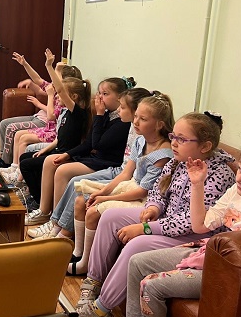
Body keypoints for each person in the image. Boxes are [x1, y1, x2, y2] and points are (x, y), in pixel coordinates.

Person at [76, 112, 236, 317]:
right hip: (167, 220)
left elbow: (192, 222)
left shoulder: (220, 175)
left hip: (193, 236)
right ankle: (93, 281)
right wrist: (153, 207)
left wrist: (146, 228)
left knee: (137, 245)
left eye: (181, 139)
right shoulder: (177, 161)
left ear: (205, 146)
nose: (174, 143)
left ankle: (100, 311)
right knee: (110, 216)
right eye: (173, 136)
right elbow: (158, 192)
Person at [125, 142, 241, 317]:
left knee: (151, 285)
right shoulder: (235, 192)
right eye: (239, 170)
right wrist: (197, 184)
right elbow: (200, 226)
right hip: (208, 253)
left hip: (226, 273)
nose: (239, 178)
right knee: (137, 263)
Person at [67, 93, 174, 275]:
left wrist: (106, 198)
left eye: (143, 119)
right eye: (136, 116)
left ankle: (86, 263)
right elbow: (125, 174)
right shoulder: (140, 140)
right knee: (80, 201)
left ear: (159, 125)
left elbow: (142, 191)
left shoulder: (163, 154)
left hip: (144, 199)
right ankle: (78, 253)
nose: (136, 122)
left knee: (92, 211)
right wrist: (103, 192)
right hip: (130, 186)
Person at [27, 88, 152, 240]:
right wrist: (68, 154)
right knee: (68, 177)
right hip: (110, 166)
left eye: (122, 106)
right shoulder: (128, 126)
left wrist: (99, 115)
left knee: (72, 180)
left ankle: (60, 232)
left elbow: (98, 145)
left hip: (110, 166)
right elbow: (90, 143)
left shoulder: (124, 125)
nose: (119, 109)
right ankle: (53, 222)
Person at [11, 52, 91, 209]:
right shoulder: (67, 111)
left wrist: (49, 66)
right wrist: (45, 150)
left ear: (74, 97)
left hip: (66, 154)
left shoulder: (77, 112)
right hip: (57, 148)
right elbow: (59, 138)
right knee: (26, 157)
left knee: (27, 164)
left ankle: (38, 200)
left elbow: (59, 91)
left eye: (61, 95)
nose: (58, 97)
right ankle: (36, 195)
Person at [0, 52, 82, 167]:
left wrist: (42, 101)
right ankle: (10, 163)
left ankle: (10, 165)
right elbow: (37, 79)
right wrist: (25, 64)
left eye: (56, 76)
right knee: (7, 126)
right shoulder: (56, 90)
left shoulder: (65, 100)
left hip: (50, 129)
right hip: (45, 125)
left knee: (16, 132)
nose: (53, 79)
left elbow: (51, 116)